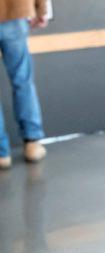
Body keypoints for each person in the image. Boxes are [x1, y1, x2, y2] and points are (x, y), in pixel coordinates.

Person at [0, 0, 47, 169]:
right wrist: (41, 10)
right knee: (22, 80)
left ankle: (1, 153)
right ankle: (32, 143)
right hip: (15, 11)